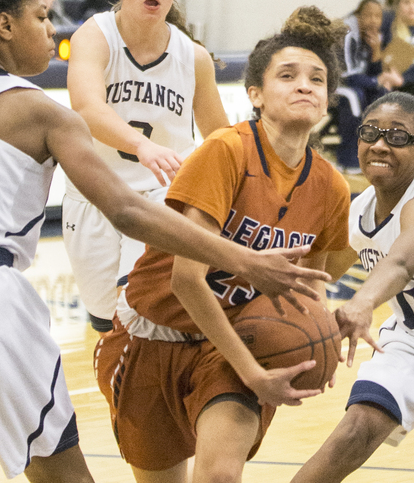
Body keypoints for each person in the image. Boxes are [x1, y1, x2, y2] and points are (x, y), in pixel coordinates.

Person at [0, 0, 334, 481]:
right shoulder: (41, 111)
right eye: (40, 17)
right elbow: (125, 210)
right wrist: (244, 260)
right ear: (4, 25)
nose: (51, 28)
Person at [95, 6, 351, 482]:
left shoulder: (332, 188)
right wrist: (254, 373)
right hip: (155, 335)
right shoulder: (227, 150)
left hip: (236, 343)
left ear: (328, 99)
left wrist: (323, 331)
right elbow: (186, 279)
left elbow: (309, 284)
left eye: (317, 80)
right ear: (254, 93)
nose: (304, 86)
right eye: (288, 76)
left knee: (219, 476)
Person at [291, 91, 414, 483]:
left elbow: (399, 263)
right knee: (356, 428)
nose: (380, 143)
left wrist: (362, 303)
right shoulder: (359, 210)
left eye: (397, 137)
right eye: (371, 133)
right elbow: (317, 276)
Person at [63, 0, 230, 332]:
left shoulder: (194, 58)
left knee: (137, 308)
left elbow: (221, 138)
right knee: (107, 325)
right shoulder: (95, 35)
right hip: (94, 195)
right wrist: (141, 145)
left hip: (161, 194)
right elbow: (85, 107)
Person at [336, 0, 403, 173]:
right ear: (358, 15)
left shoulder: (374, 35)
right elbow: (345, 76)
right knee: (355, 96)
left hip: (357, 81)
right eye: (368, 15)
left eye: (378, 16)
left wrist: (376, 50)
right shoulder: (346, 31)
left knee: (383, 94)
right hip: (335, 83)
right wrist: (375, 81)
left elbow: (373, 72)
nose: (373, 21)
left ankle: (373, 151)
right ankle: (348, 157)